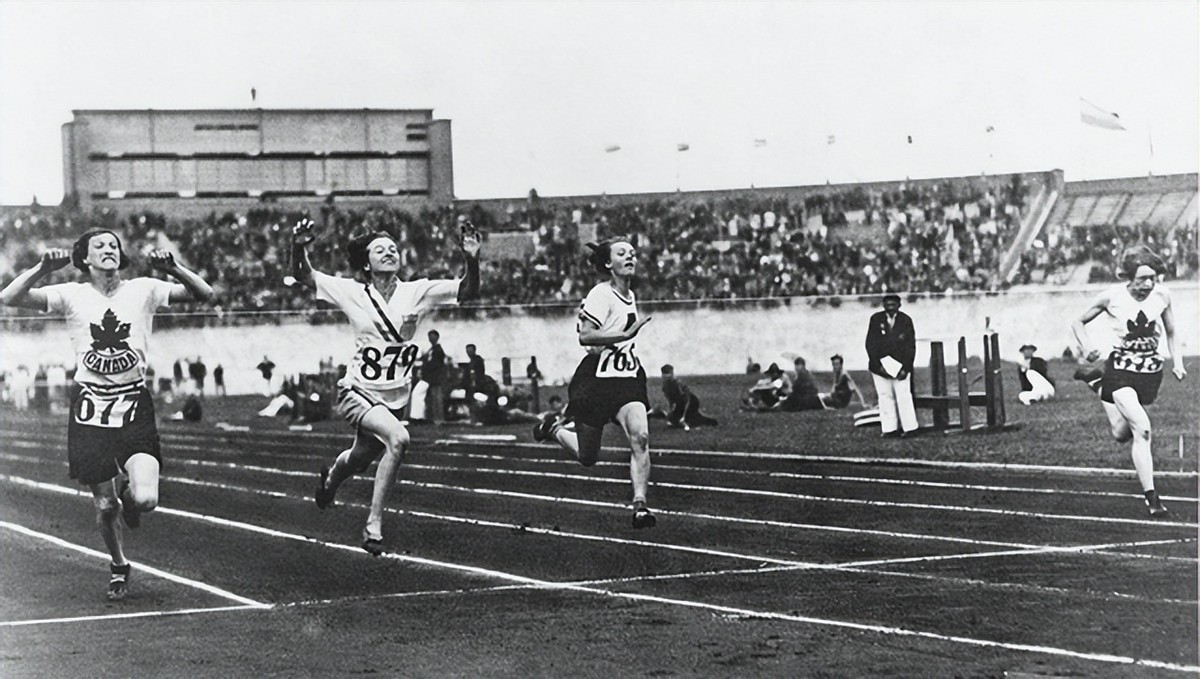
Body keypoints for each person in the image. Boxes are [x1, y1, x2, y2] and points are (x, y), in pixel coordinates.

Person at [0, 229, 213, 600]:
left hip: (133, 402)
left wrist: (175, 268)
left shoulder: (143, 289)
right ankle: (118, 564)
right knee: (104, 504)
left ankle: (132, 494)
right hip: (89, 409)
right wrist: (41, 268)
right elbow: (8, 297)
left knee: (146, 500)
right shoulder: (71, 294)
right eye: (99, 246)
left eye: (113, 245)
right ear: (84, 258)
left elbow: (205, 294)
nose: (108, 250)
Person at [292, 217, 480, 554]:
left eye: (393, 248)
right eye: (380, 249)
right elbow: (306, 275)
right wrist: (299, 247)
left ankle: (331, 480)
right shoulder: (352, 291)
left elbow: (467, 290)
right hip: (357, 391)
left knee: (360, 459)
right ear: (366, 262)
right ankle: (373, 525)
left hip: (395, 398)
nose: (389, 252)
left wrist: (472, 258)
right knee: (399, 439)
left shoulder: (417, 291)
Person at [531, 237, 657, 528]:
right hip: (596, 381)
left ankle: (640, 505)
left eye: (633, 253)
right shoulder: (602, 294)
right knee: (588, 456)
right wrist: (623, 337)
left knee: (640, 437)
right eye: (622, 253)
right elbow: (585, 336)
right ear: (607, 263)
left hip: (626, 378)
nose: (630, 257)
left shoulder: (630, 293)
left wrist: (625, 345)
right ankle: (554, 429)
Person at [1070, 248, 1185, 517]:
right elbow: (1078, 322)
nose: (1147, 285)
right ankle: (1152, 498)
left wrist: (1177, 362)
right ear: (1129, 277)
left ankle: (1098, 385)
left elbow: (1171, 331)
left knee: (1123, 433)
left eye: (1153, 278)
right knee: (1143, 428)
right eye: (1142, 279)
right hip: (1120, 369)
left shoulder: (1162, 296)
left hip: (1149, 374)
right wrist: (1086, 346)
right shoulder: (1112, 297)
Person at [865, 294, 918, 437]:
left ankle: (910, 428)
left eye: (893, 304)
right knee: (884, 396)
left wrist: (906, 368)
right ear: (883, 305)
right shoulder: (876, 320)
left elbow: (911, 347)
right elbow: (870, 344)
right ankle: (889, 429)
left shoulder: (906, 321)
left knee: (904, 396)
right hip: (880, 367)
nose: (890, 307)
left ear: (899, 305)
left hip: (900, 367)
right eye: (887, 304)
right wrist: (879, 366)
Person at [660, 364, 718, 429]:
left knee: (690, 420)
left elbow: (687, 400)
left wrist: (684, 415)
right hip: (680, 404)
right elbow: (671, 400)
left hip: (691, 402)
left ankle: (707, 421)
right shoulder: (665, 387)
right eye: (664, 376)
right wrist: (670, 412)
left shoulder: (678, 384)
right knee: (674, 420)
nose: (665, 378)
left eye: (668, 376)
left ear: (672, 374)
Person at [417, 330, 448, 423]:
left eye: (432, 337)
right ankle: (435, 417)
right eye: (429, 337)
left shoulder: (438, 350)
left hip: (436, 377)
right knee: (434, 398)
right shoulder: (432, 349)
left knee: (437, 398)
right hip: (432, 377)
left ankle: (439, 418)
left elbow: (435, 364)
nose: (430, 339)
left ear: (437, 337)